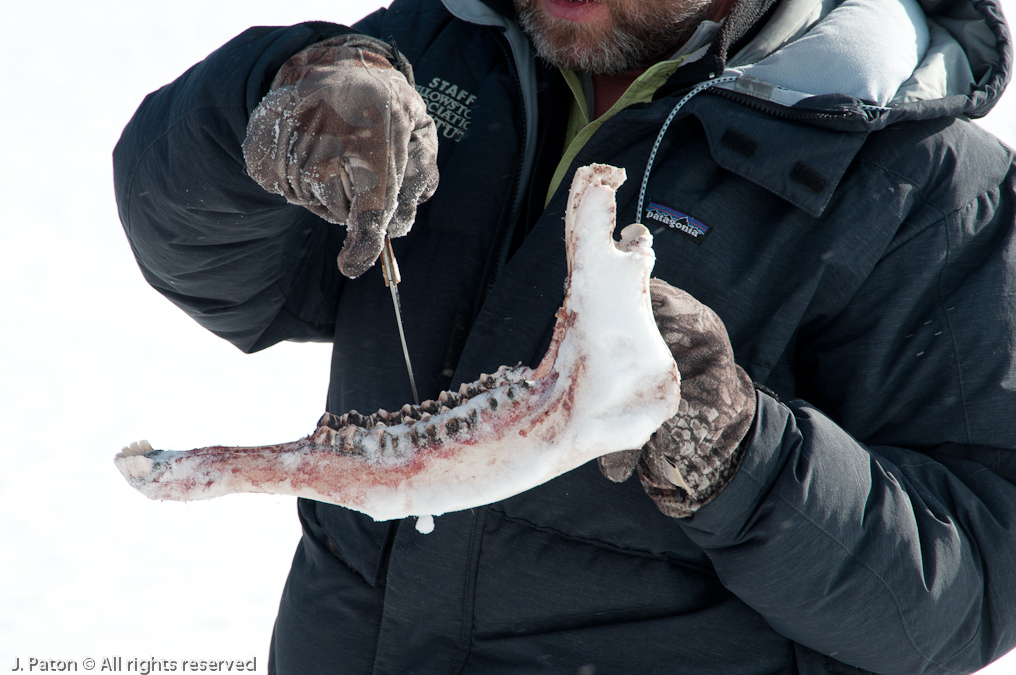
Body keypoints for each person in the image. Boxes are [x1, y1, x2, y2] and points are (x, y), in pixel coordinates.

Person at [112, 0, 1016, 672]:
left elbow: (963, 591)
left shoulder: (928, 188)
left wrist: (743, 454)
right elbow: (235, 282)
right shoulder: (440, 50)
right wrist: (263, 110)